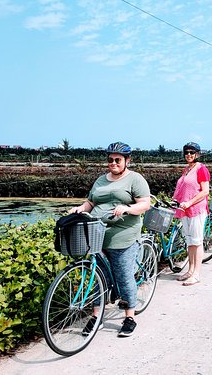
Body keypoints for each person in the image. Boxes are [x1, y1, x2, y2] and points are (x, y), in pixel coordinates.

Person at [69, 142, 151, 337]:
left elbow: (145, 204)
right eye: (110, 160)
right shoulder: (100, 180)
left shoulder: (135, 179)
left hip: (123, 234)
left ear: (126, 161)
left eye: (117, 160)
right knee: (98, 276)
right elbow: (91, 201)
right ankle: (96, 316)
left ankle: (130, 316)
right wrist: (80, 209)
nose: (113, 163)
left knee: (123, 275)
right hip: (98, 234)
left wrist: (128, 208)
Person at [172, 142, 210, 286]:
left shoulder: (201, 169)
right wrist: (175, 201)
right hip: (184, 210)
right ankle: (190, 270)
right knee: (189, 241)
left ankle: (196, 274)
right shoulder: (187, 169)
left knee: (197, 241)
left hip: (196, 209)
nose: (189, 155)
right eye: (186, 152)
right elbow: (182, 188)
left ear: (197, 154)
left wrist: (189, 202)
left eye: (192, 152)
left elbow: (205, 191)